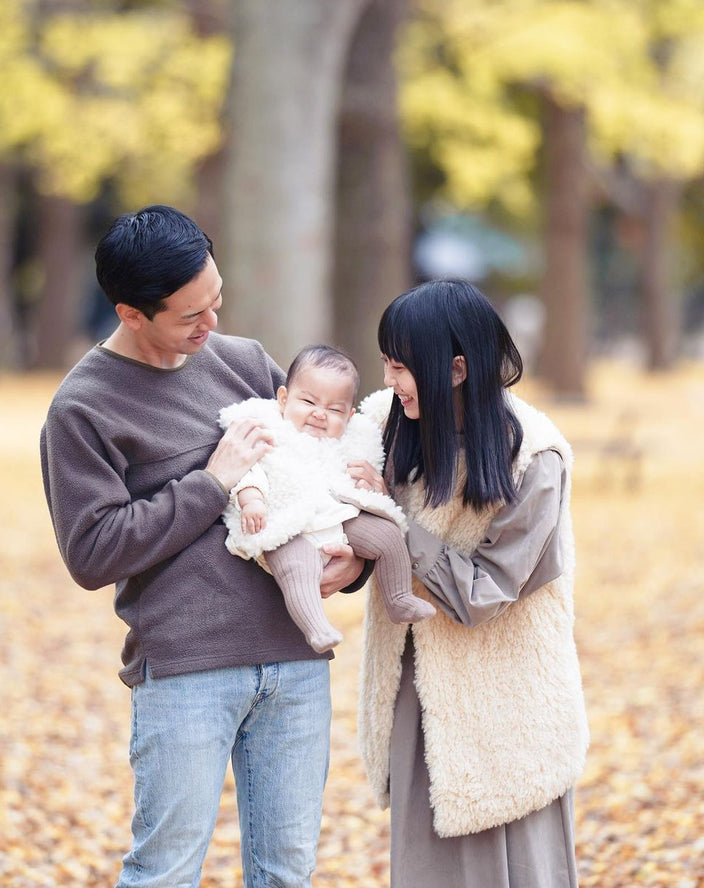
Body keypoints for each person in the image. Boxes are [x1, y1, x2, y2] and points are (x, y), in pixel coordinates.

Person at [39, 205, 369, 888]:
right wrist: (211, 482)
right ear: (132, 314)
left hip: (295, 662)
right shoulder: (84, 408)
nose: (211, 325)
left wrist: (357, 558)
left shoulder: (246, 363)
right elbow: (92, 552)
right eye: (191, 317)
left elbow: (318, 468)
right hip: (187, 670)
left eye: (215, 301)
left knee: (287, 874)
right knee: (164, 873)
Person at [351, 279, 588, 888]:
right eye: (386, 361)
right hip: (416, 682)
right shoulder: (384, 423)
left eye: (402, 365)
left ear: (455, 369)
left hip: (509, 697)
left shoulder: (534, 459)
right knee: (427, 858)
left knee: (515, 856)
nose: (389, 380)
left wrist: (395, 520)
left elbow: (482, 594)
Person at [220, 345, 435, 653]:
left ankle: (399, 598)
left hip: (337, 516)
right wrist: (252, 499)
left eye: (334, 409)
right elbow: (246, 470)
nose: (320, 414)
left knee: (388, 534)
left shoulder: (351, 441)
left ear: (349, 416)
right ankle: (315, 626)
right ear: (283, 399)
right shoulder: (267, 431)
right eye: (308, 401)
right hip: (285, 523)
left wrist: (370, 492)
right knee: (297, 564)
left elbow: (361, 480)